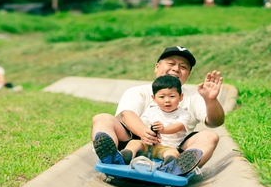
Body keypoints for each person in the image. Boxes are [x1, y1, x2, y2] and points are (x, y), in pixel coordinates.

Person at [91, 46, 224, 176]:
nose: (176, 69)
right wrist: (144, 132)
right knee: (102, 118)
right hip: (137, 143)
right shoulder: (138, 91)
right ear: (157, 67)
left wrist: (211, 100)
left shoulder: (193, 98)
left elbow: (214, 122)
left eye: (183, 67)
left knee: (210, 136)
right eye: (171, 63)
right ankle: (114, 157)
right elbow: (127, 114)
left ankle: (177, 167)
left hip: (173, 150)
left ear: (188, 74)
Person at [119, 75, 203, 175]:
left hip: (167, 147)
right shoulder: (151, 110)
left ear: (181, 97)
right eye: (162, 97)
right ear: (153, 98)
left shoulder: (184, 114)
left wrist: (163, 130)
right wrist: (148, 132)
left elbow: (178, 126)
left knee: (173, 153)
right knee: (133, 143)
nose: (167, 100)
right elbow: (143, 125)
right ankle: (124, 157)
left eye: (172, 96)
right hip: (147, 145)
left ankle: (169, 166)